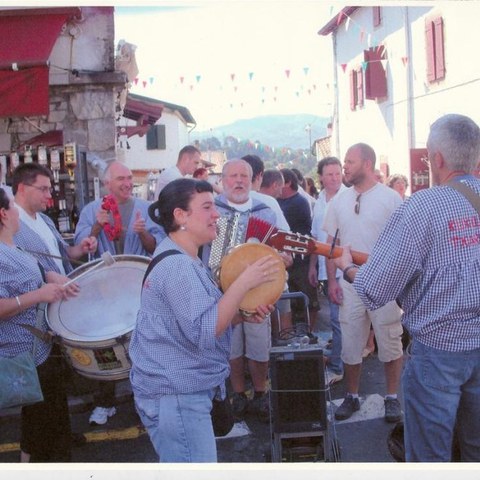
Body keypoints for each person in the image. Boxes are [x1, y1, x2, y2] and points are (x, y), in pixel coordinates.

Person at [334, 114, 480, 462]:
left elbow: (374, 290)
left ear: (439, 160)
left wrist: (348, 268)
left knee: (430, 456)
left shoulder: (422, 206)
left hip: (438, 354)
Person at [129, 178, 280, 462]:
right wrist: (244, 282)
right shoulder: (178, 266)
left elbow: (196, 322)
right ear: (180, 215)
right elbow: (204, 329)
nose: (217, 215)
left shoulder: (182, 257)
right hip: (178, 397)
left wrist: (243, 315)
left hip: (176, 395)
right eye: (208, 207)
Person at [75, 161, 165, 426]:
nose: (127, 183)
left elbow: (156, 248)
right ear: (107, 184)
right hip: (103, 290)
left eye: (129, 178)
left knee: (144, 343)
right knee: (106, 346)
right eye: (121, 179)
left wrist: (144, 233)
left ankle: (144, 400)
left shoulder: (145, 209)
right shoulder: (92, 210)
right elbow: (81, 248)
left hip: (137, 287)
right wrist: (96, 228)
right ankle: (105, 401)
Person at [324, 143, 404, 423]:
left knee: (390, 340)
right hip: (349, 284)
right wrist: (332, 281)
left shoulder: (391, 199)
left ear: (367, 164)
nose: (345, 166)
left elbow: (402, 244)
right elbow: (331, 246)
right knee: (350, 343)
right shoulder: (339, 201)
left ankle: (392, 398)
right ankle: (352, 396)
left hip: (385, 285)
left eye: (350, 161)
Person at [0, 187, 79, 462]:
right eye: (12, 205)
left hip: (40, 350)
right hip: (25, 355)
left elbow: (32, 269)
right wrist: (39, 294)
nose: (15, 210)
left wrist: (54, 277)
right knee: (44, 422)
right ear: (3, 213)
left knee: (43, 419)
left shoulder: (12, 245)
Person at [203, 159, 280, 422]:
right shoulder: (213, 211)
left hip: (259, 291)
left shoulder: (265, 211)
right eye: (233, 176)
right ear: (223, 180)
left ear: (252, 180)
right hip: (222, 291)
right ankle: (238, 393)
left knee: (259, 345)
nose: (238, 181)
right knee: (231, 346)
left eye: (243, 176)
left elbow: (277, 248)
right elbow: (206, 254)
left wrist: (283, 258)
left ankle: (260, 392)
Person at [12, 163, 97, 276]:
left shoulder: (45, 219)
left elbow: (64, 253)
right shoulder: (9, 225)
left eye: (49, 190)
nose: (49, 195)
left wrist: (80, 248)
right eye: (43, 189)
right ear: (22, 188)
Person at [241, 155, 293, 335]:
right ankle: (284, 348)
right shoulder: (269, 203)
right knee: (279, 316)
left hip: (235, 280)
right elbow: (286, 238)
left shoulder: (223, 202)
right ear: (260, 175)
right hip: (270, 277)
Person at [308, 157, 346, 385]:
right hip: (325, 268)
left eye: (337, 173)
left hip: (342, 270)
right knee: (337, 320)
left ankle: (338, 366)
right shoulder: (319, 200)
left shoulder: (349, 198)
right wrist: (313, 266)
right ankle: (340, 361)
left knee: (338, 319)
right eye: (329, 174)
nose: (334, 178)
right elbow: (315, 238)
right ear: (320, 177)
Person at [278, 168, 320, 330]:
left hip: (302, 261)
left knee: (308, 300)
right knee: (291, 301)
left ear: (288, 183)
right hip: (290, 261)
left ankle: (310, 332)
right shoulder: (282, 201)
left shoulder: (299, 202)